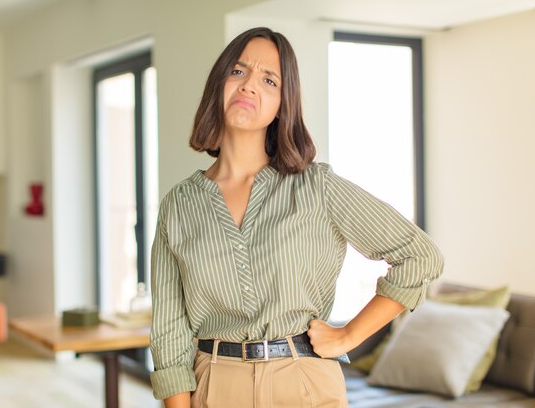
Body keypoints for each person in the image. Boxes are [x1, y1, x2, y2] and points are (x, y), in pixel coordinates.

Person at [149, 27, 444, 408]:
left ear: (282, 104)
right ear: (218, 84)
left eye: (269, 80)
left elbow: (420, 255)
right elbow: (169, 332)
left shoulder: (317, 187)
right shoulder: (179, 205)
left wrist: (349, 335)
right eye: (238, 72)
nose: (249, 86)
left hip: (304, 384)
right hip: (214, 386)